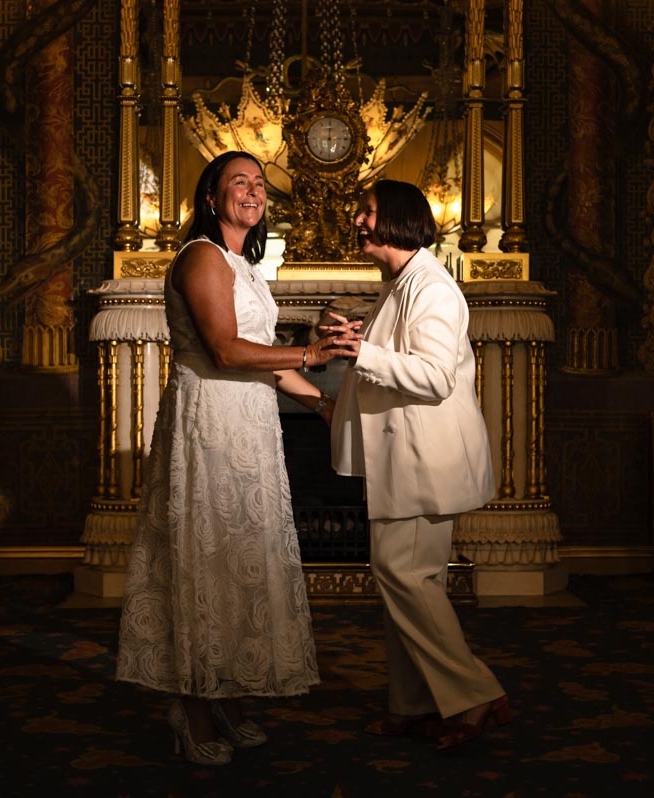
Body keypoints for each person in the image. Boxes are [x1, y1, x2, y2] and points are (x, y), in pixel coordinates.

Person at [115, 150, 349, 765]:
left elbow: (263, 357)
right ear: (212, 198)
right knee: (204, 557)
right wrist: (310, 358)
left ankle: (230, 697)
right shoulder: (201, 257)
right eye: (238, 182)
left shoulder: (246, 266)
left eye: (260, 183)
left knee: (244, 554)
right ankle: (191, 709)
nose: (253, 190)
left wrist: (323, 408)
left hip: (251, 424)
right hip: (210, 421)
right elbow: (224, 350)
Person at [324, 179, 511, 752]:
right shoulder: (399, 284)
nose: (357, 220)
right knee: (410, 583)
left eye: (368, 211)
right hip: (406, 459)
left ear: (399, 219)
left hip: (423, 460)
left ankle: (476, 694)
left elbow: (433, 376)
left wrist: (362, 352)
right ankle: (413, 703)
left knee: (404, 578)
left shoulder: (430, 286)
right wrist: (354, 343)